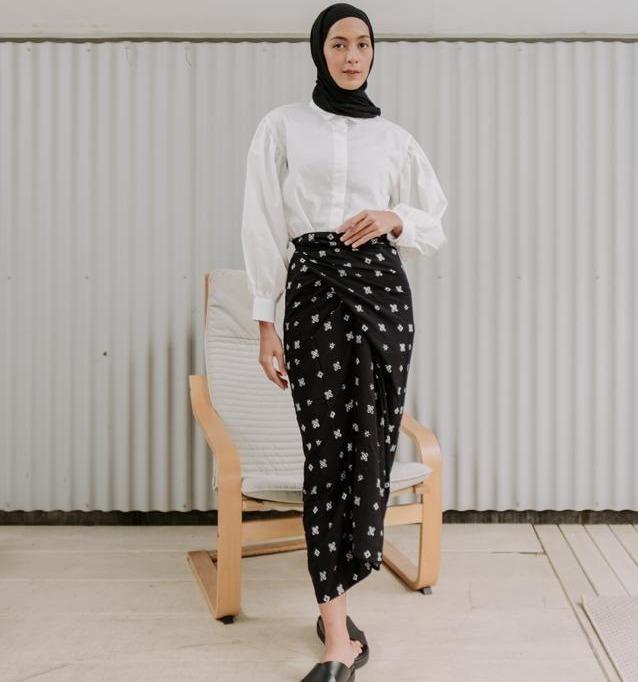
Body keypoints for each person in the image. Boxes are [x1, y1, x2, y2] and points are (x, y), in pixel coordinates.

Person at [241, 4, 448, 680]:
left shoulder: (394, 139)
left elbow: (434, 221)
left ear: (373, 52)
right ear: (319, 50)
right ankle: (338, 633)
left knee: (372, 446)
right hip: (312, 293)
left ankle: (339, 607)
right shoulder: (282, 126)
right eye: (338, 43)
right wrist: (265, 321)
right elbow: (262, 223)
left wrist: (395, 217)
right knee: (325, 452)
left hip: (382, 295)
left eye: (362, 44)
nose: (352, 55)